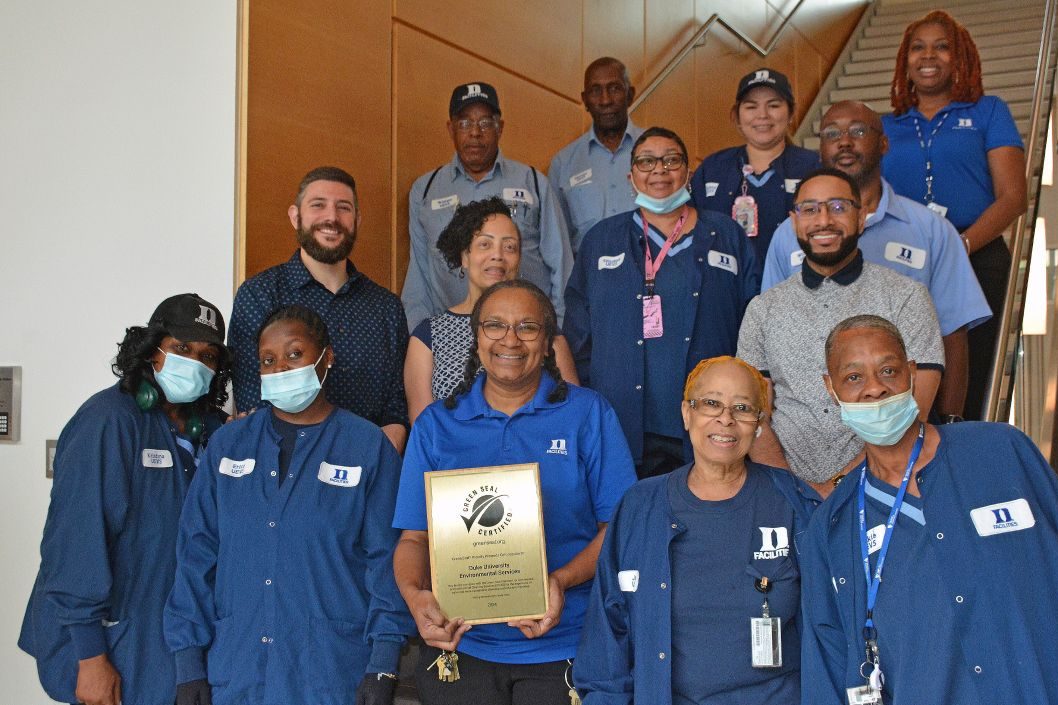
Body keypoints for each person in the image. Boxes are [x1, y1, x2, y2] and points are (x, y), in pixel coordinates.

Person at [393, 280, 637, 705]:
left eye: (527, 327)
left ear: (547, 344)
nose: (510, 339)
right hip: (461, 646)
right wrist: (416, 597)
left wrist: (559, 580)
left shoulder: (588, 413)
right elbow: (413, 538)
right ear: (476, 337)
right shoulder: (437, 425)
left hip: (565, 644)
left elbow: (620, 528)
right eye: (495, 325)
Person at [801, 314, 1058, 705]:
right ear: (830, 388)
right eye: (853, 377)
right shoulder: (834, 525)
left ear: (910, 373)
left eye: (888, 370)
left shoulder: (1002, 452)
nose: (874, 389)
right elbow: (828, 663)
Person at [165, 304, 413, 705]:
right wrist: (188, 663)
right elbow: (195, 556)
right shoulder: (229, 445)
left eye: (295, 354)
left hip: (333, 673)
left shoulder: (367, 447)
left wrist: (383, 661)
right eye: (268, 360)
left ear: (326, 357)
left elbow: (387, 564)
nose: (281, 368)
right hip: (236, 671)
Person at [19, 293, 230, 705]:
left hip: (169, 642)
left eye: (207, 356)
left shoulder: (214, 430)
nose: (195, 363)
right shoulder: (108, 421)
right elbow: (76, 541)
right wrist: (90, 655)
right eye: (182, 349)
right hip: (108, 639)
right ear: (152, 350)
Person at [573, 356, 819, 704]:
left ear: (759, 423)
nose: (726, 419)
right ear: (687, 414)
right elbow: (608, 635)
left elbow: (831, 631)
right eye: (711, 403)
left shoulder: (794, 503)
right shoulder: (640, 505)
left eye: (743, 407)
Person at [763, 100, 991, 421]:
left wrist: (952, 421)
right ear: (820, 150)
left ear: (884, 143)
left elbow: (953, 336)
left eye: (858, 131)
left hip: (905, 418)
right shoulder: (789, 234)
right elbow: (775, 335)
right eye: (831, 133)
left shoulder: (932, 231)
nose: (844, 141)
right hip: (812, 421)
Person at [565, 126, 759, 478]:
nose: (659, 170)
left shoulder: (726, 235)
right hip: (620, 419)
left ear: (687, 172)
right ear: (631, 176)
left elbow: (755, 324)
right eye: (646, 162)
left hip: (711, 420)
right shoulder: (601, 240)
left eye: (671, 160)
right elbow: (578, 334)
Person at [737, 168, 944, 495]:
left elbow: (915, 409)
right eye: (810, 209)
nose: (823, 221)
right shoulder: (762, 309)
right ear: (794, 222)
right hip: (784, 494)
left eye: (838, 207)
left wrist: (837, 486)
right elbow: (751, 412)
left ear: (862, 217)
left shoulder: (906, 297)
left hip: (887, 485)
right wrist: (793, 491)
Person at [882, 10, 1027, 419]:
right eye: (918, 47)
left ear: (960, 56)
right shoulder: (885, 125)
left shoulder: (988, 112)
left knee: (974, 368)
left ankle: (968, 451)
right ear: (904, 60)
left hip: (976, 254)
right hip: (903, 261)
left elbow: (1013, 197)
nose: (929, 56)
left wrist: (957, 246)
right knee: (904, 362)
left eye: (942, 46)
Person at [228, 166, 410, 452]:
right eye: (318, 205)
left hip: (366, 470)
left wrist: (376, 455)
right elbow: (254, 399)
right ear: (295, 216)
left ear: (357, 220)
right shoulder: (260, 294)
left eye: (343, 208)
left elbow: (397, 407)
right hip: (284, 464)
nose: (331, 217)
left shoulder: (386, 307)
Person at [402, 82, 573, 331]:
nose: (474, 132)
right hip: (454, 335)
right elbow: (418, 278)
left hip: (525, 332)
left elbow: (562, 266)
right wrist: (420, 338)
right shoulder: (425, 190)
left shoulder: (533, 183)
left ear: (500, 128)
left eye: (485, 123)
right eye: (464, 123)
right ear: (450, 129)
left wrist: (554, 333)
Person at [404, 197, 578, 423]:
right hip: (455, 456)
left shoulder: (544, 331)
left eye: (509, 247)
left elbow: (574, 416)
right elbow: (423, 427)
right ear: (464, 256)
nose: (498, 255)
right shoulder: (428, 336)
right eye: (485, 244)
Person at [690, 68, 819, 277]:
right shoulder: (713, 168)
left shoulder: (812, 167)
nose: (762, 115)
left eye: (774, 105)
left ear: (791, 113)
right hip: (726, 293)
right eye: (751, 106)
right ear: (736, 115)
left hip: (797, 290)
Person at [548, 57, 643, 253]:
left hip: (653, 275)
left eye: (615, 88)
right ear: (584, 100)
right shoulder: (564, 163)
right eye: (595, 91)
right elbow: (558, 241)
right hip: (589, 279)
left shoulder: (658, 149)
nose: (605, 100)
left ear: (630, 94)